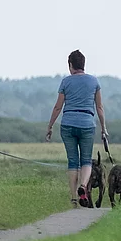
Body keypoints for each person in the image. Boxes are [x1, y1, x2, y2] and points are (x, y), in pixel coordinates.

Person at [45, 50, 107, 208]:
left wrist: (50, 126)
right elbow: (99, 107)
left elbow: (58, 107)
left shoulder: (66, 82)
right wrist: (103, 129)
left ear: (70, 65)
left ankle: (73, 199)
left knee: (73, 161)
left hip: (68, 124)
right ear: (83, 64)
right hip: (87, 123)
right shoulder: (94, 82)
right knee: (86, 160)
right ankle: (83, 186)